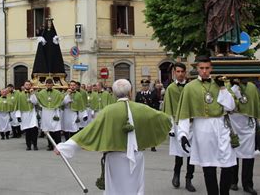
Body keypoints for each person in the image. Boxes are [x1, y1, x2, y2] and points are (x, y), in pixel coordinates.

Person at [55, 79, 171, 194]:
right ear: (130, 92)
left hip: (115, 158)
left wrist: (65, 147)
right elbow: (165, 119)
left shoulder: (108, 111)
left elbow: (89, 131)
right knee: (135, 187)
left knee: (115, 189)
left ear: (114, 94)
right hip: (136, 156)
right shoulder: (143, 109)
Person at [176, 55, 237, 195]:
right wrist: (183, 134)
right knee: (209, 168)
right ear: (197, 68)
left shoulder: (221, 83)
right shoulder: (190, 87)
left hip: (222, 127)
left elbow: (230, 106)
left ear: (211, 68)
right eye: (201, 68)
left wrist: (222, 88)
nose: (204, 71)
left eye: (207, 68)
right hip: (202, 129)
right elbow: (185, 113)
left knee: (227, 165)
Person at [163, 63, 196, 192]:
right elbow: (168, 108)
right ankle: (176, 174)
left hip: (191, 124)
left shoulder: (191, 87)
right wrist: (170, 128)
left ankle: (189, 179)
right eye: (178, 71)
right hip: (177, 124)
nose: (181, 74)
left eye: (182, 71)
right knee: (179, 154)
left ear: (185, 72)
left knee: (191, 154)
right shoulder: (171, 89)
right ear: (174, 73)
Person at [228, 78, 260, 195]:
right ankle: (233, 181)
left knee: (248, 155)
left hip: (247, 124)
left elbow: (256, 104)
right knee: (233, 153)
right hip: (233, 122)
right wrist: (234, 90)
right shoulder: (227, 86)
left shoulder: (251, 87)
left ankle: (247, 184)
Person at [29, 78, 65, 151]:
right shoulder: (41, 93)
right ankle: (50, 145)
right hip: (45, 112)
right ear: (46, 85)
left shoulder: (58, 93)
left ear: (52, 84)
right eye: (48, 84)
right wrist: (32, 93)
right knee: (48, 129)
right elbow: (35, 101)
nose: (49, 85)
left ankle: (58, 145)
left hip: (55, 111)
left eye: (50, 84)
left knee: (56, 129)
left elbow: (63, 100)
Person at [15, 80, 39, 150]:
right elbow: (18, 105)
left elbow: (35, 102)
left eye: (29, 85)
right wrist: (18, 116)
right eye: (26, 84)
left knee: (34, 129)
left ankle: (35, 145)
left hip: (32, 113)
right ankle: (28, 145)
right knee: (28, 131)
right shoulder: (20, 95)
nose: (28, 86)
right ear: (24, 85)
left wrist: (32, 94)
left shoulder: (34, 93)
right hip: (24, 114)